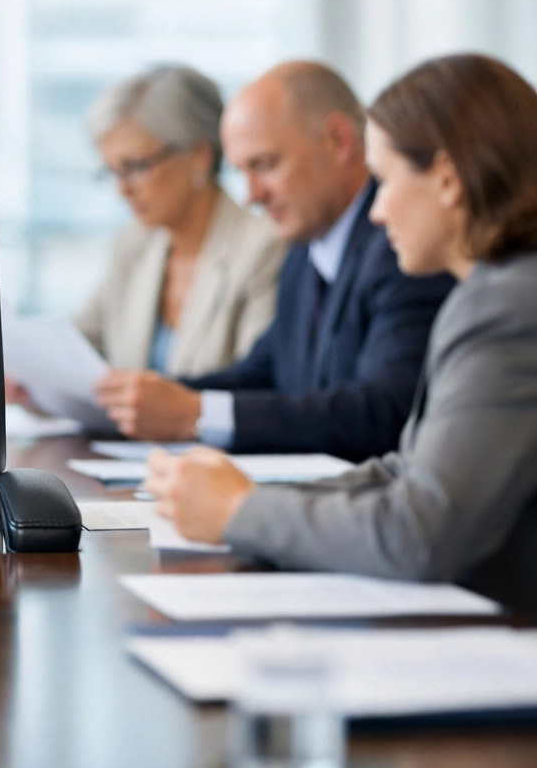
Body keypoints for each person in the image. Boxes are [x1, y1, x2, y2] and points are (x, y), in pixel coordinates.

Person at [147, 54, 537, 611]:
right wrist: (244, 499)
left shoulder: (505, 308)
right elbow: (408, 471)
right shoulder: (497, 293)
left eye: (386, 180)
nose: (376, 212)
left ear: (448, 180)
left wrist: (240, 513)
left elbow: (418, 534)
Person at [92, 61, 455, 461]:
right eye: (242, 171)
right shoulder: (306, 246)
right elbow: (261, 375)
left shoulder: (402, 245)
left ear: (338, 141)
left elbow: (384, 410)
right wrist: (142, 402)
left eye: (264, 165)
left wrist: (195, 414)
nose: (251, 195)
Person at [73, 65, 283, 376]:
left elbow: (256, 384)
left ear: (199, 154)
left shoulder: (265, 248)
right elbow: (76, 344)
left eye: (135, 167)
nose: (123, 190)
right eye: (113, 172)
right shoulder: (133, 243)